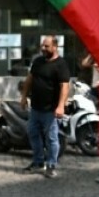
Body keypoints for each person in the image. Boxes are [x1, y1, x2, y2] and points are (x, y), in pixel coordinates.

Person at [21, 36, 70, 178]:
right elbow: (29, 79)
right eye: (42, 46)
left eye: (46, 46)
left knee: (52, 138)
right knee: (33, 134)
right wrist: (24, 97)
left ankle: (51, 165)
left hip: (51, 110)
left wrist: (61, 106)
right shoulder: (38, 61)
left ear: (55, 47)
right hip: (35, 108)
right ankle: (38, 162)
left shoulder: (61, 65)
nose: (43, 48)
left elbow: (64, 87)